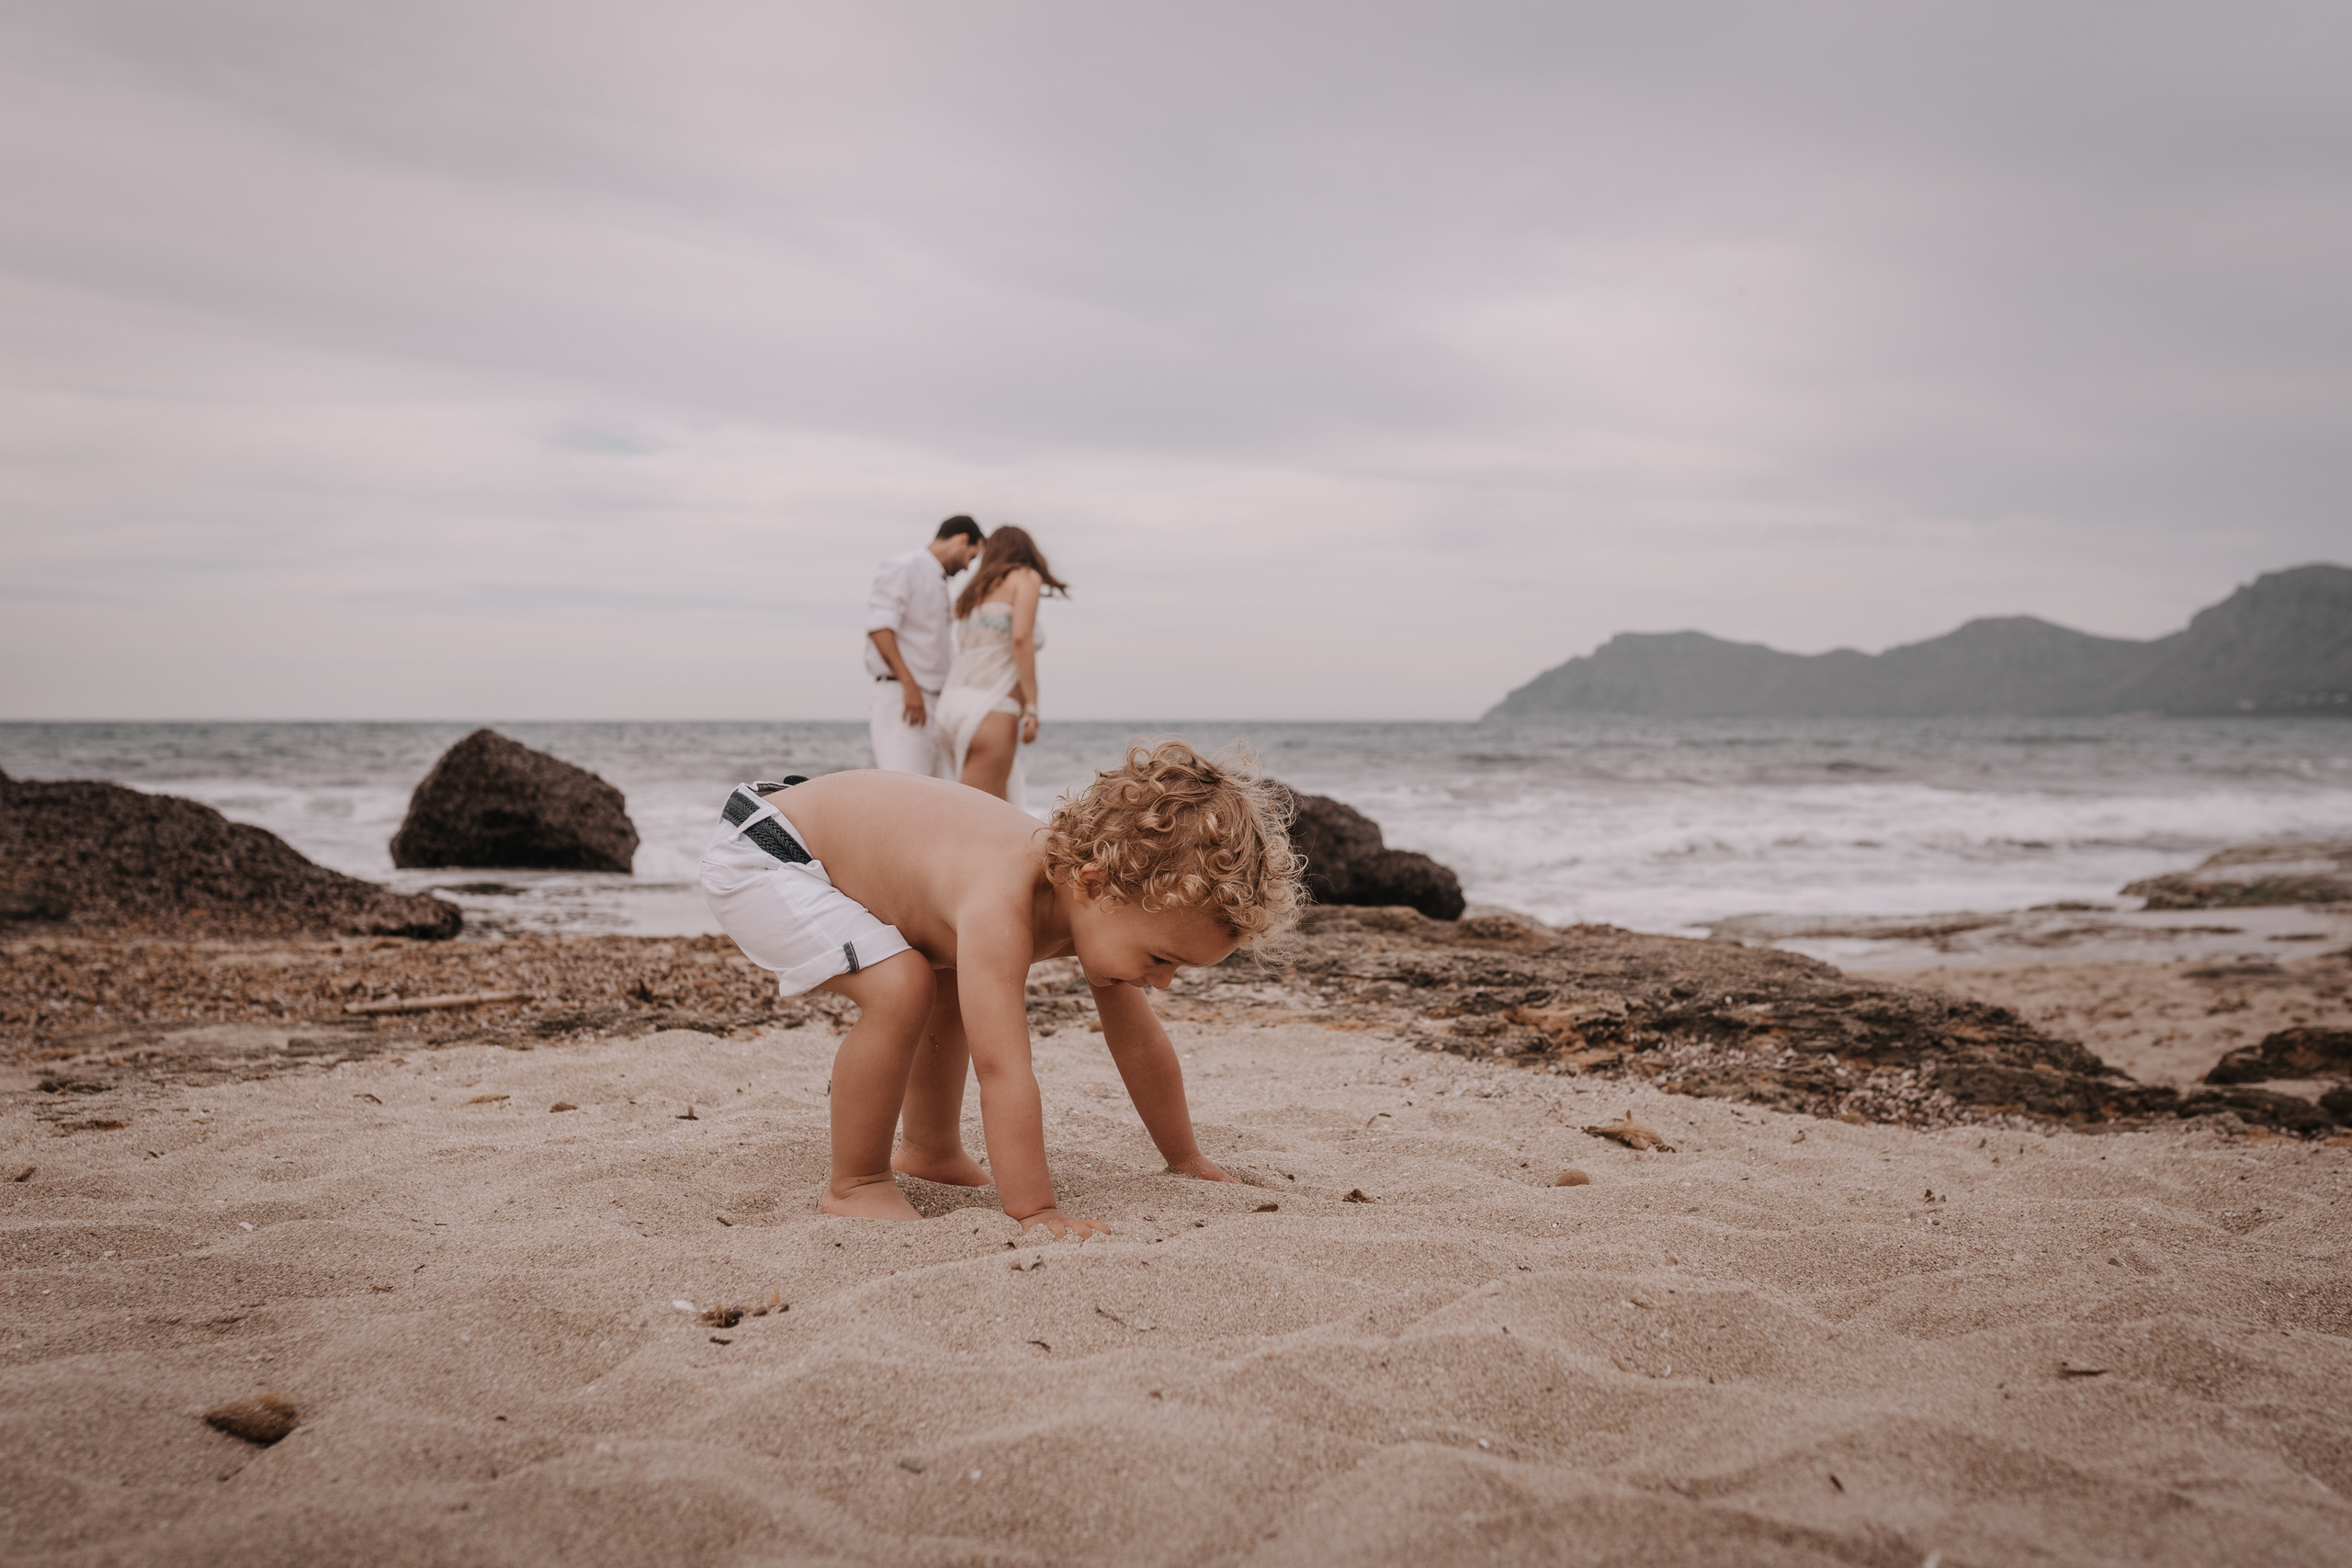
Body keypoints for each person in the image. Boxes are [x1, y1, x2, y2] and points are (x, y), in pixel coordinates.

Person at [697, 741, 1301, 1236]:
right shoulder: (1001, 902)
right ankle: (856, 1183)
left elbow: (1140, 1046)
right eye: (1161, 959)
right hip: (769, 852)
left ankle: (930, 1152)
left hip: (815, 835)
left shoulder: (1097, 906)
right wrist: (1035, 1210)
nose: (1162, 982)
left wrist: (1186, 1158)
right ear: (1094, 885)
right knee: (902, 985)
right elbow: (1003, 1071)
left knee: (948, 980)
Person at [933, 525, 1069, 807]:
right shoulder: (1025, 577)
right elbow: (1021, 638)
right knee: (976, 815)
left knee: (986, 807)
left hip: (951, 705)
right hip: (991, 708)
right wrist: (1032, 706)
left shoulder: (974, 591)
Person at [864, 516, 984, 776]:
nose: (967, 566)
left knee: (936, 792)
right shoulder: (904, 567)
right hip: (904, 697)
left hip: (934, 703)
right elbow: (880, 629)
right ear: (962, 540)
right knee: (905, 787)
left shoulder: (938, 580)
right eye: (971, 556)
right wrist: (910, 685)